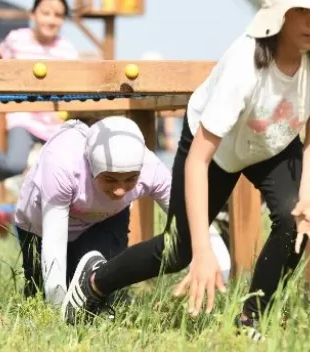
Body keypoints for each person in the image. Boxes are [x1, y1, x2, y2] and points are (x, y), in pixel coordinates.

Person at [59, 0, 310, 341]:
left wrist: (307, 199)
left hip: (273, 143)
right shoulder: (245, 65)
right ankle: (96, 282)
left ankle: (250, 320)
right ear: (278, 14)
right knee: (178, 250)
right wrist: (203, 252)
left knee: (293, 219)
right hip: (215, 151)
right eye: (301, 9)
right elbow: (198, 159)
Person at [13, 116, 231, 311]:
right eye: (110, 179)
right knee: (41, 296)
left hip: (101, 221)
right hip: (39, 227)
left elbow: (191, 220)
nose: (119, 190)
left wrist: (221, 269)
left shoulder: (149, 168)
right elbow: (54, 243)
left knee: (101, 296)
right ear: (91, 168)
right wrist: (57, 311)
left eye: (129, 180)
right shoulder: (63, 164)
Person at [0, 0, 79, 194]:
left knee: (68, 167)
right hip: (24, 116)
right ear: (33, 14)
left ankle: (32, 173)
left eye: (58, 15)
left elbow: (76, 83)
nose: (51, 20)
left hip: (54, 121)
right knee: (14, 164)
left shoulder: (66, 50)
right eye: (45, 13)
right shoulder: (17, 40)